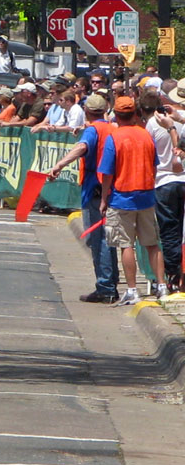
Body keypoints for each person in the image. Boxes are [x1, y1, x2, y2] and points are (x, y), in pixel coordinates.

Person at [97, 93, 168, 305]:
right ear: (135, 114)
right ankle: (162, 286)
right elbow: (154, 165)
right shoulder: (147, 135)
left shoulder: (115, 138)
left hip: (122, 197)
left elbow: (108, 174)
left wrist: (103, 199)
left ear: (117, 116)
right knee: (152, 244)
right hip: (146, 195)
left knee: (126, 244)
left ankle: (132, 290)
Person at [144, 91, 185, 292]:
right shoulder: (181, 121)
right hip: (177, 180)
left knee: (169, 231)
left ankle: (173, 275)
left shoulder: (154, 123)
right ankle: (177, 275)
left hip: (164, 182)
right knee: (179, 231)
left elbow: (149, 153)